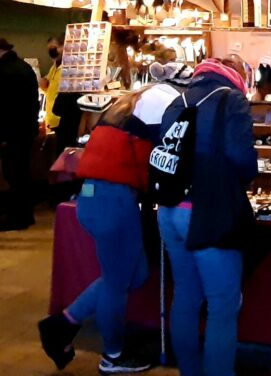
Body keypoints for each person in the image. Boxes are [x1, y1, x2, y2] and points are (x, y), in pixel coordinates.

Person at [37, 77, 185, 374]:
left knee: (135, 274)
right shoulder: (165, 108)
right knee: (117, 282)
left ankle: (63, 323)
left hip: (94, 195)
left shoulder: (125, 109)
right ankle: (112, 356)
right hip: (114, 200)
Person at [157, 57, 257, 376]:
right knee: (222, 305)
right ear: (237, 76)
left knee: (186, 295)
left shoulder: (177, 100)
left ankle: (189, 371)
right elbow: (242, 158)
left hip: (170, 209)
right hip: (209, 214)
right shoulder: (231, 100)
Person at [0, 38, 39, 231]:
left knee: (14, 174)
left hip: (12, 132)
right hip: (25, 130)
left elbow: (5, 108)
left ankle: (18, 217)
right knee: (22, 172)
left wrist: (3, 135)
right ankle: (25, 214)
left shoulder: (6, 72)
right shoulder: (24, 67)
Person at [40, 36, 63, 135]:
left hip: (60, 118)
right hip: (51, 118)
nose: (52, 51)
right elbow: (48, 87)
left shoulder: (68, 69)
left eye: (54, 48)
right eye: (49, 49)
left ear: (63, 47)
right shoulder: (54, 67)